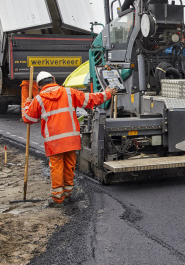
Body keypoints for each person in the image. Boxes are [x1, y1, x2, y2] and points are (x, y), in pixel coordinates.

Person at [22, 71, 117, 207]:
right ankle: (67, 195)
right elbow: (90, 99)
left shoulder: (38, 99)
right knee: (69, 166)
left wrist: (26, 105)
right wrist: (107, 93)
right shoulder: (68, 93)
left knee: (56, 168)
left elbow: (28, 118)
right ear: (53, 79)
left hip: (54, 142)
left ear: (39, 85)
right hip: (71, 139)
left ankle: (57, 199)